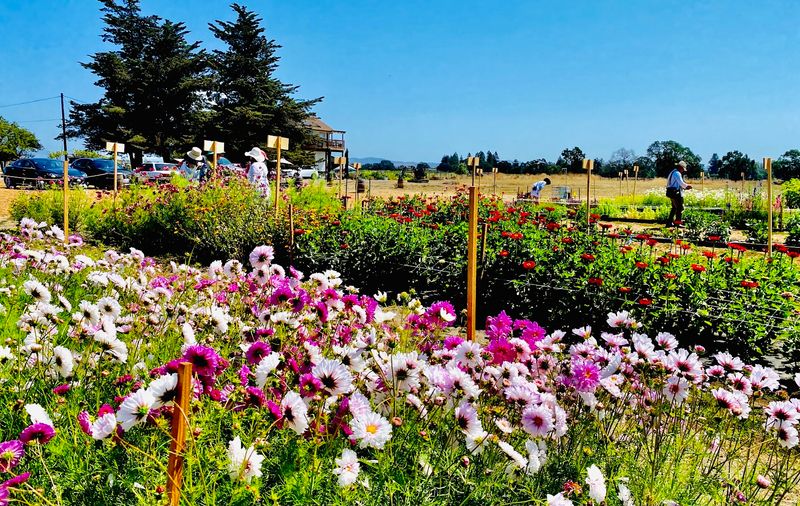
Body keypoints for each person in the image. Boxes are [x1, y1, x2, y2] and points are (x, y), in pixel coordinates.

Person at [666, 160, 692, 227]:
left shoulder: (672, 172)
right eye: (683, 169)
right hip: (676, 193)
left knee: (674, 208)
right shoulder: (677, 173)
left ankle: (669, 222)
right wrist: (687, 186)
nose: (683, 170)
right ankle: (677, 223)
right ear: (680, 167)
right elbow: (681, 183)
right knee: (680, 208)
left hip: (671, 192)